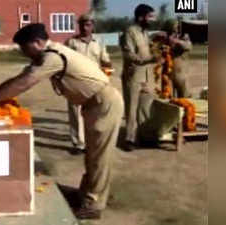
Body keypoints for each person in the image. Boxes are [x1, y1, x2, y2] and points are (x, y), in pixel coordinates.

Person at [0, 23, 123, 219]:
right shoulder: (47, 54)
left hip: (103, 103)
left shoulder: (52, 57)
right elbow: (19, 78)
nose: (23, 53)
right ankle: (85, 194)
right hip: (94, 104)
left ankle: (93, 205)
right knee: (92, 154)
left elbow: (24, 83)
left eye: (25, 48)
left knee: (100, 157)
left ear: (38, 42)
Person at [65, 13, 112, 154]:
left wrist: (108, 66)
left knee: (95, 113)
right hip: (75, 82)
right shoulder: (71, 43)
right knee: (76, 113)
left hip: (94, 82)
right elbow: (63, 60)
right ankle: (79, 144)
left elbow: (105, 59)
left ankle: (92, 141)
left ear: (93, 26)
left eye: (88, 25)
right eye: (82, 25)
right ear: (78, 26)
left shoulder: (99, 42)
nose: (85, 28)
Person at [119, 4, 161, 151]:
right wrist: (149, 60)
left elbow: (148, 47)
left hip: (147, 76)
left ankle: (146, 138)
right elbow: (129, 54)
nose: (152, 19)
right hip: (133, 76)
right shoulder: (130, 32)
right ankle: (130, 139)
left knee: (146, 108)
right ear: (140, 17)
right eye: (150, 16)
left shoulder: (145, 33)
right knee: (132, 109)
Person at [162, 19, 193, 98]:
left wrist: (177, 41)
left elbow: (188, 46)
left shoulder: (183, 36)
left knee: (185, 99)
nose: (176, 28)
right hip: (168, 74)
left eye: (176, 26)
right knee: (169, 99)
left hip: (181, 73)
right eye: (174, 26)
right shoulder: (164, 37)